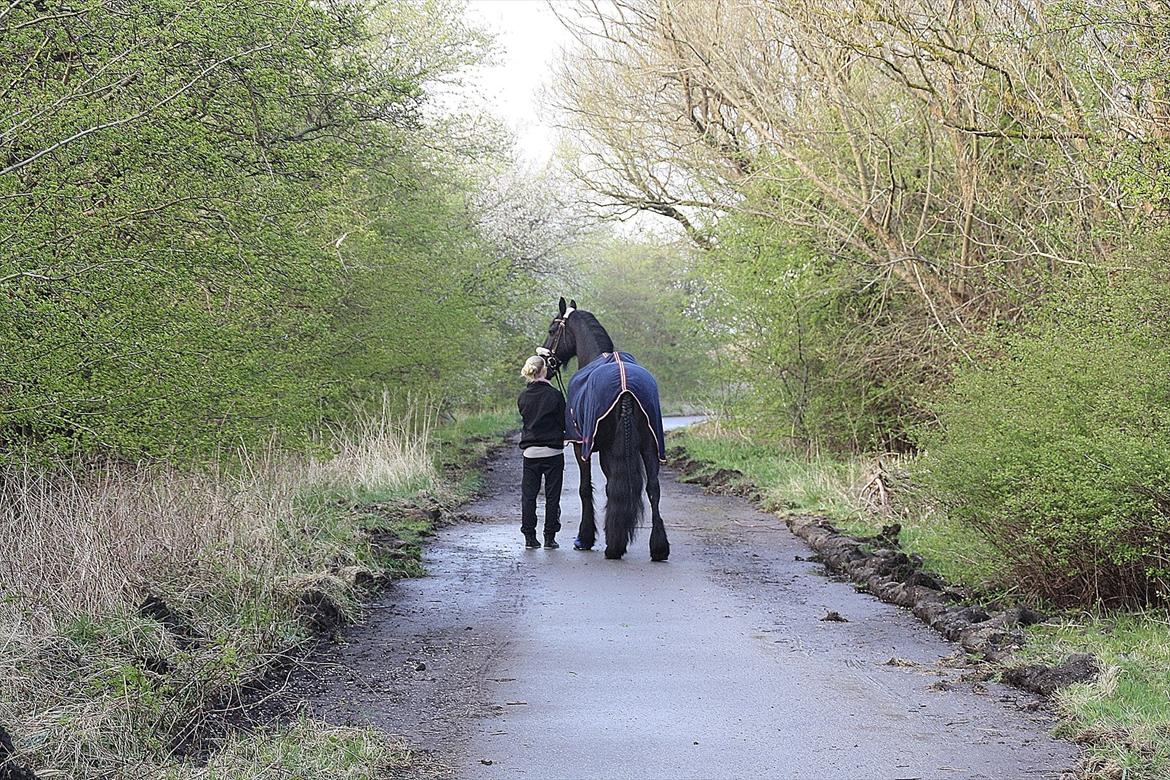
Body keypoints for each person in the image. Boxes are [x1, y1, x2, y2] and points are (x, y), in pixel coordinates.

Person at [517, 355, 566, 549]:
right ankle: (549, 537)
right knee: (552, 497)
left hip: (530, 453)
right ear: (544, 370)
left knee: (529, 496)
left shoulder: (523, 397)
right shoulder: (555, 395)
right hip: (553, 452)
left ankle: (529, 537)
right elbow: (563, 422)